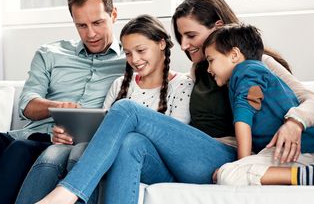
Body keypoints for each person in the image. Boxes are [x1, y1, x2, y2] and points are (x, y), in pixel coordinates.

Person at [36, 0, 314, 204]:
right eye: (180, 37)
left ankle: (66, 194)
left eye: (190, 35)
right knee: (131, 143)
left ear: (217, 27)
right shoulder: (199, 70)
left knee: (127, 109)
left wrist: (294, 122)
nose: (185, 45)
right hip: (193, 157)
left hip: (225, 157)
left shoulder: (255, 62)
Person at [15, 14, 194, 203]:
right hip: (109, 153)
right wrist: (67, 134)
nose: (135, 59)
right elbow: (102, 130)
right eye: (128, 53)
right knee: (55, 152)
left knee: (101, 148)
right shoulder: (119, 84)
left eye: (141, 50)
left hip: (152, 162)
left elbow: (173, 143)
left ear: (161, 44)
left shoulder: (182, 85)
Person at [0, 0, 126, 204]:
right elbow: (26, 105)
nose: (91, 33)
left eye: (98, 22)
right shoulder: (51, 53)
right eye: (81, 26)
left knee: (21, 150)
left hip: (56, 148)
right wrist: (58, 108)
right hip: (21, 138)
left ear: (113, 14)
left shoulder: (131, 61)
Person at [202, 23, 314, 187]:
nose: (208, 69)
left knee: (229, 174)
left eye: (211, 60)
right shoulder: (254, 72)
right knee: (227, 172)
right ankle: (308, 174)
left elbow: (243, 119)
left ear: (234, 55)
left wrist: (242, 163)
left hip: (302, 152)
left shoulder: (245, 71)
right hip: (298, 153)